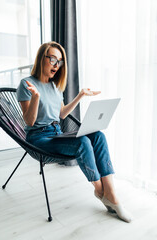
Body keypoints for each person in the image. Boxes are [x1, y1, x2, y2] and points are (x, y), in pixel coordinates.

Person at [17, 41, 132, 223]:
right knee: (82, 143)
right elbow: (29, 121)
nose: (56, 65)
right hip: (38, 138)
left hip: (56, 132)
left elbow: (61, 114)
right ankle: (102, 192)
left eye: (60, 61)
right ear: (42, 58)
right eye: (53, 59)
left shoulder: (55, 86)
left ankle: (110, 192)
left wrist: (80, 95)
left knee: (98, 136)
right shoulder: (26, 84)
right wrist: (36, 97)